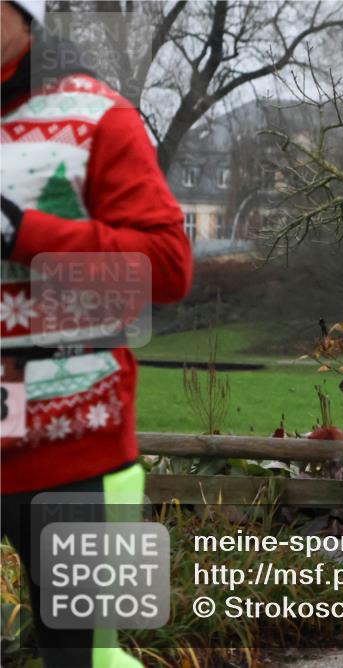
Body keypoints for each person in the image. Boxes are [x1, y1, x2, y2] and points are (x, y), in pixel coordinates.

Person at [1, 1, 193, 665]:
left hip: (77, 447)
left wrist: (27, 236)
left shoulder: (97, 114)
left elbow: (167, 271)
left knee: (86, 656)